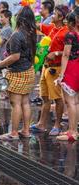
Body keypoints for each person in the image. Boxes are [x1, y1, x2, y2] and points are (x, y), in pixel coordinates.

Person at [0, 6, 36, 140]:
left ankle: (13, 133)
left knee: (15, 103)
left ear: (19, 18)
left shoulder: (17, 34)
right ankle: (26, 130)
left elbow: (15, 56)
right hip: (29, 70)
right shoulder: (31, 33)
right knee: (25, 102)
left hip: (17, 72)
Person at [30, 5, 70, 136]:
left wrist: (56, 53)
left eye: (55, 14)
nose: (52, 16)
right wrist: (29, 10)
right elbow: (37, 26)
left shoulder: (66, 32)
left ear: (61, 17)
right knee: (45, 97)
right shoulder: (52, 28)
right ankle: (41, 124)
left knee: (58, 99)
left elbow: (69, 51)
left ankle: (57, 125)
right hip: (45, 67)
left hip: (56, 69)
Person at [56, 8, 79, 141]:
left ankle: (71, 132)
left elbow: (65, 55)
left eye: (67, 22)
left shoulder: (70, 35)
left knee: (70, 102)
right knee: (76, 102)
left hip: (71, 68)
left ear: (72, 23)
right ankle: (74, 130)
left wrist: (61, 75)